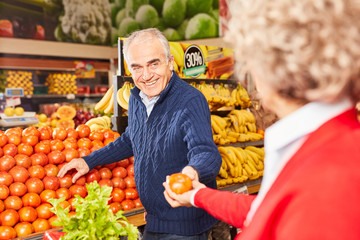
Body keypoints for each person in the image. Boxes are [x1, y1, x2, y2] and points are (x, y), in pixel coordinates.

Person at [163, 0, 360, 239]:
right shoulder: (324, 142)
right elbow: (264, 210)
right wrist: (197, 195)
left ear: (270, 66)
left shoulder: (329, 172)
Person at [58, 28, 222, 239]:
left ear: (170, 62)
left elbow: (206, 152)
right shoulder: (136, 98)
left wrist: (192, 171)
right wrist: (88, 161)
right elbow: (130, 139)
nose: (146, 76)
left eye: (154, 64)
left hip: (184, 223)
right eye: (137, 67)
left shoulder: (190, 100)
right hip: (154, 218)